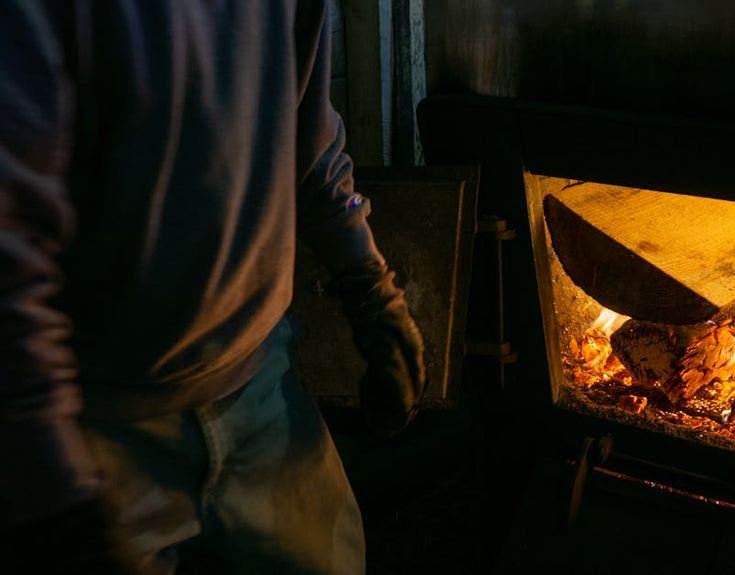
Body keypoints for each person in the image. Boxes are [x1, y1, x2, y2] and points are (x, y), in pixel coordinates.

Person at [0, 1, 426, 573]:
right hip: (98, 428)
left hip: (263, 386)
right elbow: (10, 244)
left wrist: (373, 289)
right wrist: (47, 481)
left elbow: (316, 150)